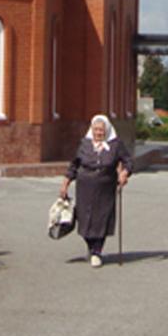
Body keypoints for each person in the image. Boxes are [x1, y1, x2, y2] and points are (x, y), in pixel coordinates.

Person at [61, 114, 131, 267]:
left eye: (101, 130)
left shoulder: (116, 144)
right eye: (96, 129)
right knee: (84, 219)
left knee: (102, 219)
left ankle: (97, 251)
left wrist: (124, 173)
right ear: (91, 130)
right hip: (84, 187)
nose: (98, 133)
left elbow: (127, 161)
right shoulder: (85, 144)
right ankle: (91, 246)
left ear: (107, 130)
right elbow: (74, 165)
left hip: (105, 188)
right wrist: (66, 183)